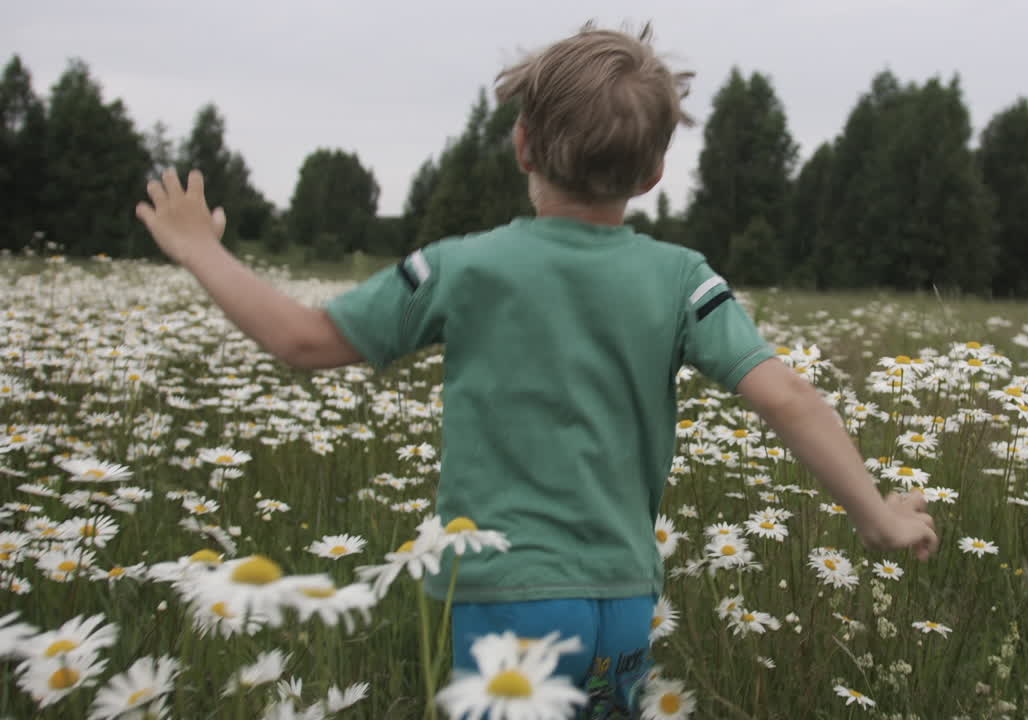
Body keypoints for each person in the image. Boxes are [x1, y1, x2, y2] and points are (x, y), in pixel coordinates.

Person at [135, 22, 938, 717]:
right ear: (654, 173)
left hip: (504, 597)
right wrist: (876, 516)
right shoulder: (683, 279)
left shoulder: (460, 267)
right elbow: (790, 397)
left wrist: (200, 249)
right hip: (624, 602)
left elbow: (302, 342)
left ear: (522, 143)